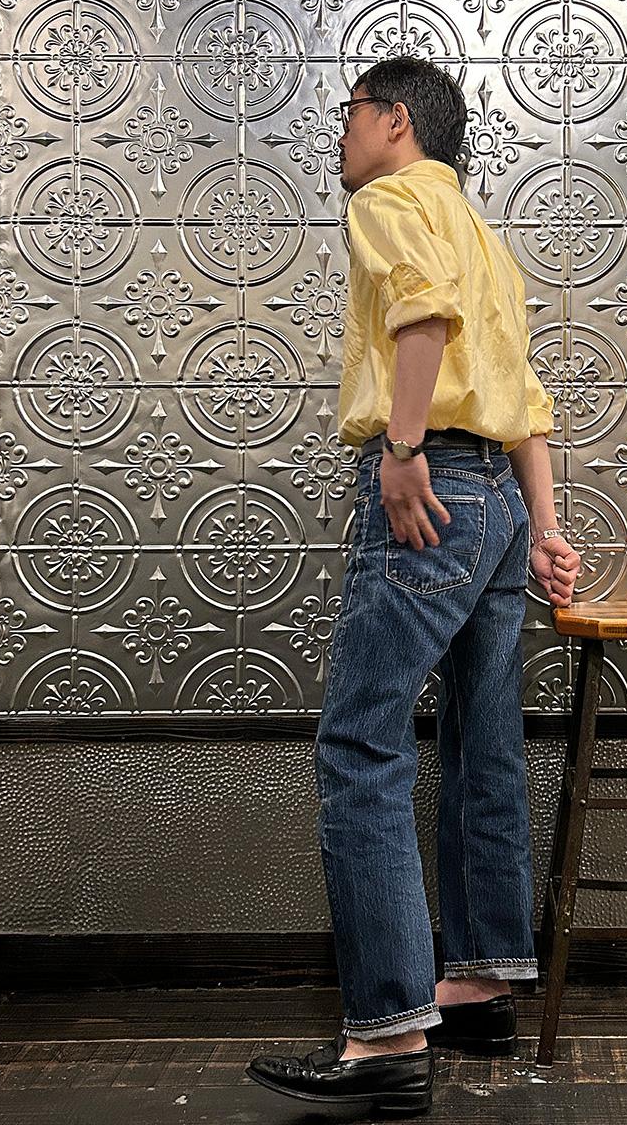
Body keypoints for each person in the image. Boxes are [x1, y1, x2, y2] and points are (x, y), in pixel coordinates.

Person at [245, 57, 581, 1115]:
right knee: (483, 743)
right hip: (499, 504)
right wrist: (545, 530)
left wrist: (401, 451)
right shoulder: (480, 230)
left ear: (395, 120)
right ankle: (480, 981)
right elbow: (523, 398)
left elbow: (421, 321)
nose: (340, 136)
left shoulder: (391, 200)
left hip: (431, 486)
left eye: (350, 114)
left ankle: (387, 1035)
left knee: (361, 743)